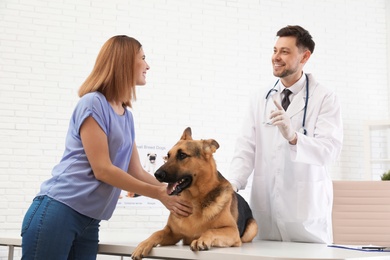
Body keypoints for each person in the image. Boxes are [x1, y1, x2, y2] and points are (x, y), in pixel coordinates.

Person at [20, 35, 192, 259]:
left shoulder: (126, 117)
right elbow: (103, 169)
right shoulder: (93, 103)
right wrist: (160, 193)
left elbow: (136, 171)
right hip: (60, 211)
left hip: (90, 221)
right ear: (124, 62)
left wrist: (173, 191)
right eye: (143, 57)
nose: (148, 65)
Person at [228, 25, 343, 244]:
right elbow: (246, 148)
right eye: (275, 50)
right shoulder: (260, 98)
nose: (276, 57)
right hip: (266, 212)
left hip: (306, 216)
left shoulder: (325, 98)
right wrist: (232, 184)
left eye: (285, 51)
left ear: (305, 56)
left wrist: (294, 137)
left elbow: (329, 151)